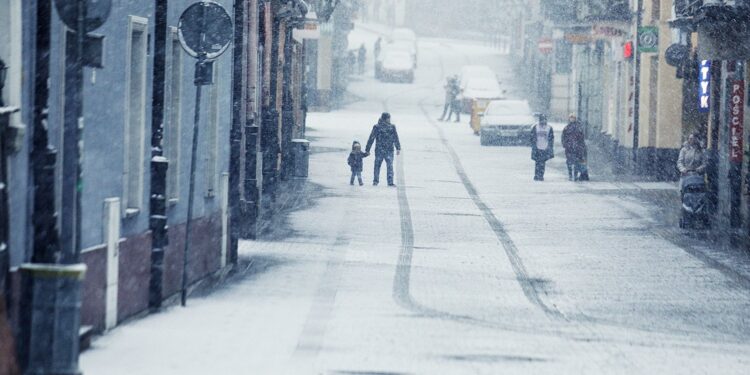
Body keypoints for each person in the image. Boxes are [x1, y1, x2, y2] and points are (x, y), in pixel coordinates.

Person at [366, 112, 401, 186]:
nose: (389, 119)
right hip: (385, 150)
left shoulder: (389, 127)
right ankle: (379, 181)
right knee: (385, 166)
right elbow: (371, 138)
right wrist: (367, 149)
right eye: (388, 118)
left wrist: (398, 148)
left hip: (383, 150)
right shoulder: (379, 127)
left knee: (382, 166)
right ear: (386, 118)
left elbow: (395, 137)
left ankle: (384, 181)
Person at [561, 114, 587, 181]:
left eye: (573, 118)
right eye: (571, 118)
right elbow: (563, 137)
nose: (572, 119)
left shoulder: (578, 127)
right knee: (569, 162)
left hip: (577, 148)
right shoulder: (567, 128)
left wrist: (581, 146)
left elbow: (581, 138)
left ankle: (575, 175)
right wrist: (565, 144)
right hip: (569, 148)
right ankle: (570, 175)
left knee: (576, 162)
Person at [530, 114, 554, 181]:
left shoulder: (549, 127)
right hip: (537, 147)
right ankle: (536, 175)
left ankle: (541, 175)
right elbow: (532, 137)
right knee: (537, 162)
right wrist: (533, 145)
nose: (543, 121)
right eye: (542, 120)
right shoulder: (535, 127)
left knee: (542, 163)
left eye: (544, 119)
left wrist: (550, 146)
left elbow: (551, 138)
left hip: (545, 147)